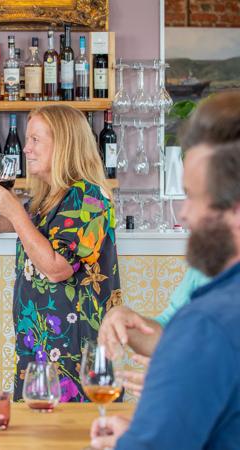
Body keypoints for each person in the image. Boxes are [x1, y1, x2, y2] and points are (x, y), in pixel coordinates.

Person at [0, 105, 121, 401]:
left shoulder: (89, 197)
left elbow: (56, 267)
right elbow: (41, 229)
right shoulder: (54, 194)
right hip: (40, 340)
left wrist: (14, 210)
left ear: (64, 144)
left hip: (72, 348)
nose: (25, 148)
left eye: (35, 140)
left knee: (70, 438)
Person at [90, 137, 240, 449]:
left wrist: (177, 390)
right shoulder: (209, 288)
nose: (183, 214)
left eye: (192, 197)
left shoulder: (209, 319)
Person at [98, 91, 240, 396]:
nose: (183, 213)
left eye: (193, 196)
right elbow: (175, 335)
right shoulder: (211, 263)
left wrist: (185, 382)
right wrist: (128, 322)